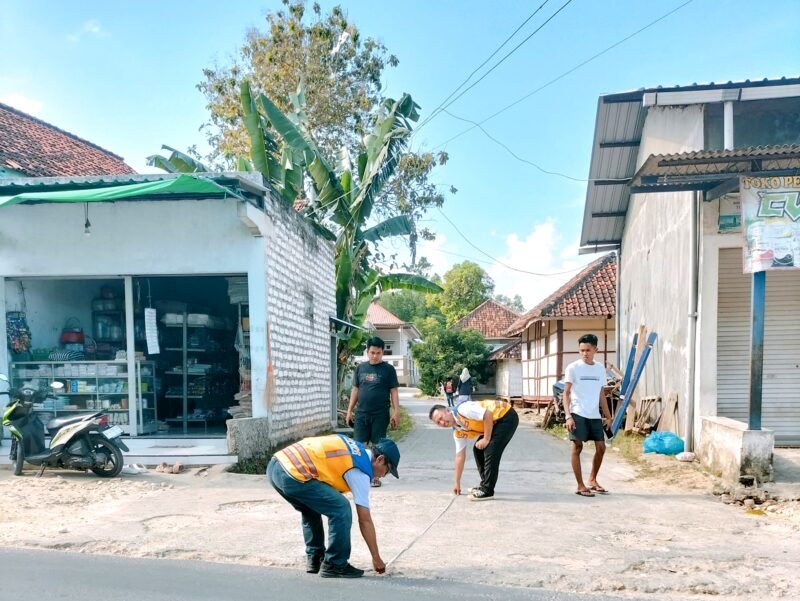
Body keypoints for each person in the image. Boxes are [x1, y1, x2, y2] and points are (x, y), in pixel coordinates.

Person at [267, 434, 401, 578]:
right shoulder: (360, 470)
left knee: (311, 508)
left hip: (276, 465)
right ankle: (335, 564)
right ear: (380, 459)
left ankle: (315, 558)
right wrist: (376, 557)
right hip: (293, 474)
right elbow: (365, 519)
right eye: (387, 471)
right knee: (341, 509)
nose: (382, 476)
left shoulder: (355, 448)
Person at [428, 398, 518, 501]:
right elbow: (459, 456)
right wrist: (457, 482)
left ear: (448, 410)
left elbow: (487, 414)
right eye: (438, 422)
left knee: (490, 450)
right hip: (495, 422)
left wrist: (486, 439)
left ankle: (487, 490)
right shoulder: (458, 431)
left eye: (441, 417)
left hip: (506, 416)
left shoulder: (463, 409)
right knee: (478, 450)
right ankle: (485, 485)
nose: (442, 422)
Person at [345, 336, 400, 487]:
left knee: (377, 447)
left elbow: (393, 391)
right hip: (362, 413)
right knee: (359, 447)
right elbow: (355, 389)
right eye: (372, 352)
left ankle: (375, 477)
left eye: (378, 353)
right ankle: (358, 476)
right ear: (367, 352)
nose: (375, 356)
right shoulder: (360, 368)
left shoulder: (388, 370)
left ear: (383, 353)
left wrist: (396, 411)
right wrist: (349, 410)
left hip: (380, 414)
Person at [563, 333, 613, 498]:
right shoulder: (573, 368)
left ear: (595, 350)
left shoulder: (599, 369)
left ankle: (592, 479)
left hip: (594, 415)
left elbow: (601, 394)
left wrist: (608, 416)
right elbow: (566, 393)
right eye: (582, 350)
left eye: (588, 350)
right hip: (578, 413)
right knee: (577, 447)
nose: (585, 353)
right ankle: (580, 485)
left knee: (601, 447)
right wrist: (568, 416)